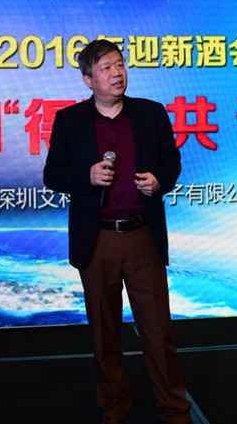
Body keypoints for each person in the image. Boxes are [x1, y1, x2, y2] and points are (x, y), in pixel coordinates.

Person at [43, 39, 192, 424]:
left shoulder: (150, 114)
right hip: (97, 240)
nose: (117, 74)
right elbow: (53, 175)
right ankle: (114, 409)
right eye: (106, 68)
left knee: (158, 331)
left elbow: (171, 162)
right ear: (88, 79)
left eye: (120, 65)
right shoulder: (70, 121)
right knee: (104, 334)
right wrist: (87, 176)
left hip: (143, 237)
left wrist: (159, 181)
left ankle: (175, 410)